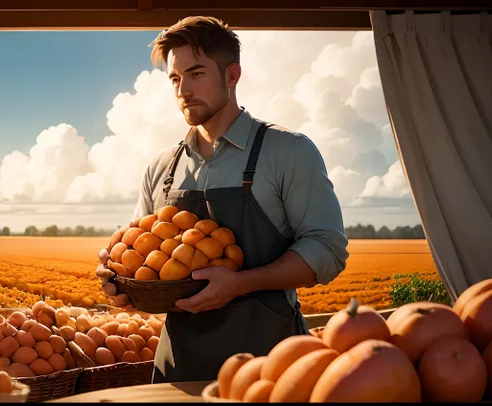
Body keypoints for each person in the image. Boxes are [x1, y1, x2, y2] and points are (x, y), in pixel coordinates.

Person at [95, 16, 349, 384]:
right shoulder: (161, 168)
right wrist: (122, 284)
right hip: (179, 367)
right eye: (175, 78)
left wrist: (241, 282)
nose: (183, 90)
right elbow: (143, 261)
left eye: (196, 74)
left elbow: (328, 249)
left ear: (232, 75)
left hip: (270, 366)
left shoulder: (288, 151)